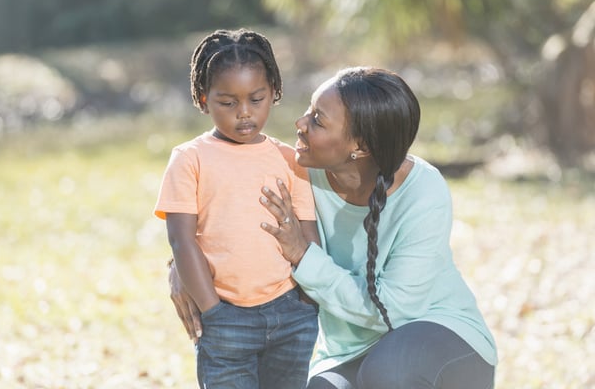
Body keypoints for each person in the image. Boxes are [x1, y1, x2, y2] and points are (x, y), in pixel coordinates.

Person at [170, 66, 498, 388]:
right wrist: (179, 266)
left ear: (360, 147)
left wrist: (302, 253)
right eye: (309, 111)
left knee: (390, 373)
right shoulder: (298, 172)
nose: (299, 124)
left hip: (440, 338)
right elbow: (227, 220)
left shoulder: (423, 190)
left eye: (318, 120)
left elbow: (392, 309)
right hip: (347, 353)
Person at [155, 28, 320, 389]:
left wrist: (308, 303)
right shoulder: (189, 160)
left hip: (292, 314)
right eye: (228, 103)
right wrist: (212, 311)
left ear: (274, 93)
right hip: (224, 316)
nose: (244, 113)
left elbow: (309, 234)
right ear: (203, 99)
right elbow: (182, 241)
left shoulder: (291, 160)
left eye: (256, 99)